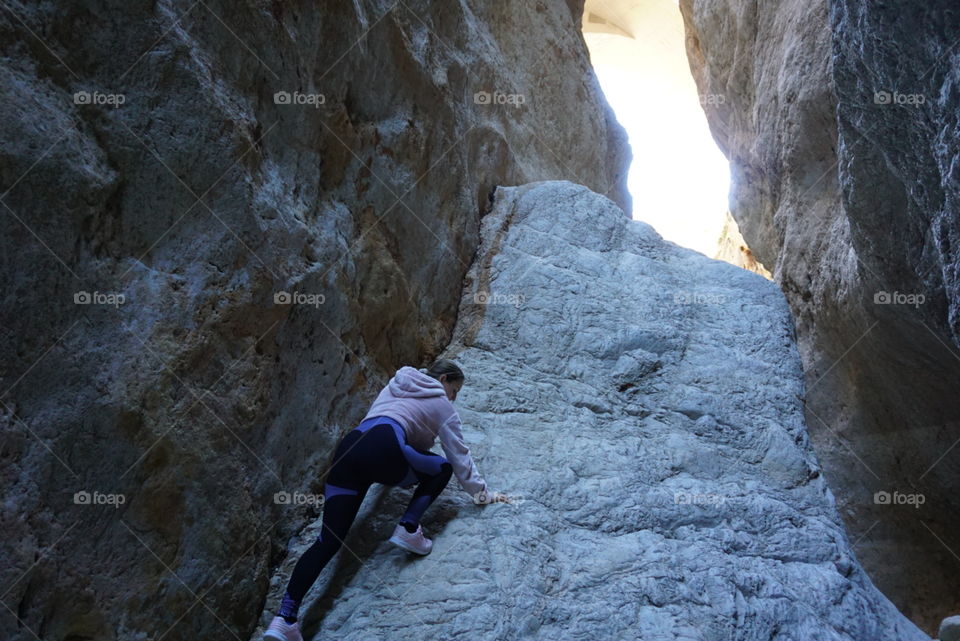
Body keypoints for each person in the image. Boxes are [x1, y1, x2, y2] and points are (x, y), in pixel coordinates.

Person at [264, 359, 508, 641]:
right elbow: (458, 455)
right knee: (442, 469)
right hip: (386, 448)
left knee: (327, 540)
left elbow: (386, 421)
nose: (453, 398)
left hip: (349, 448)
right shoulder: (442, 404)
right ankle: (408, 527)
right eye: (455, 390)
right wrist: (482, 494)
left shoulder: (396, 383)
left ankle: (285, 619)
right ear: (444, 380)